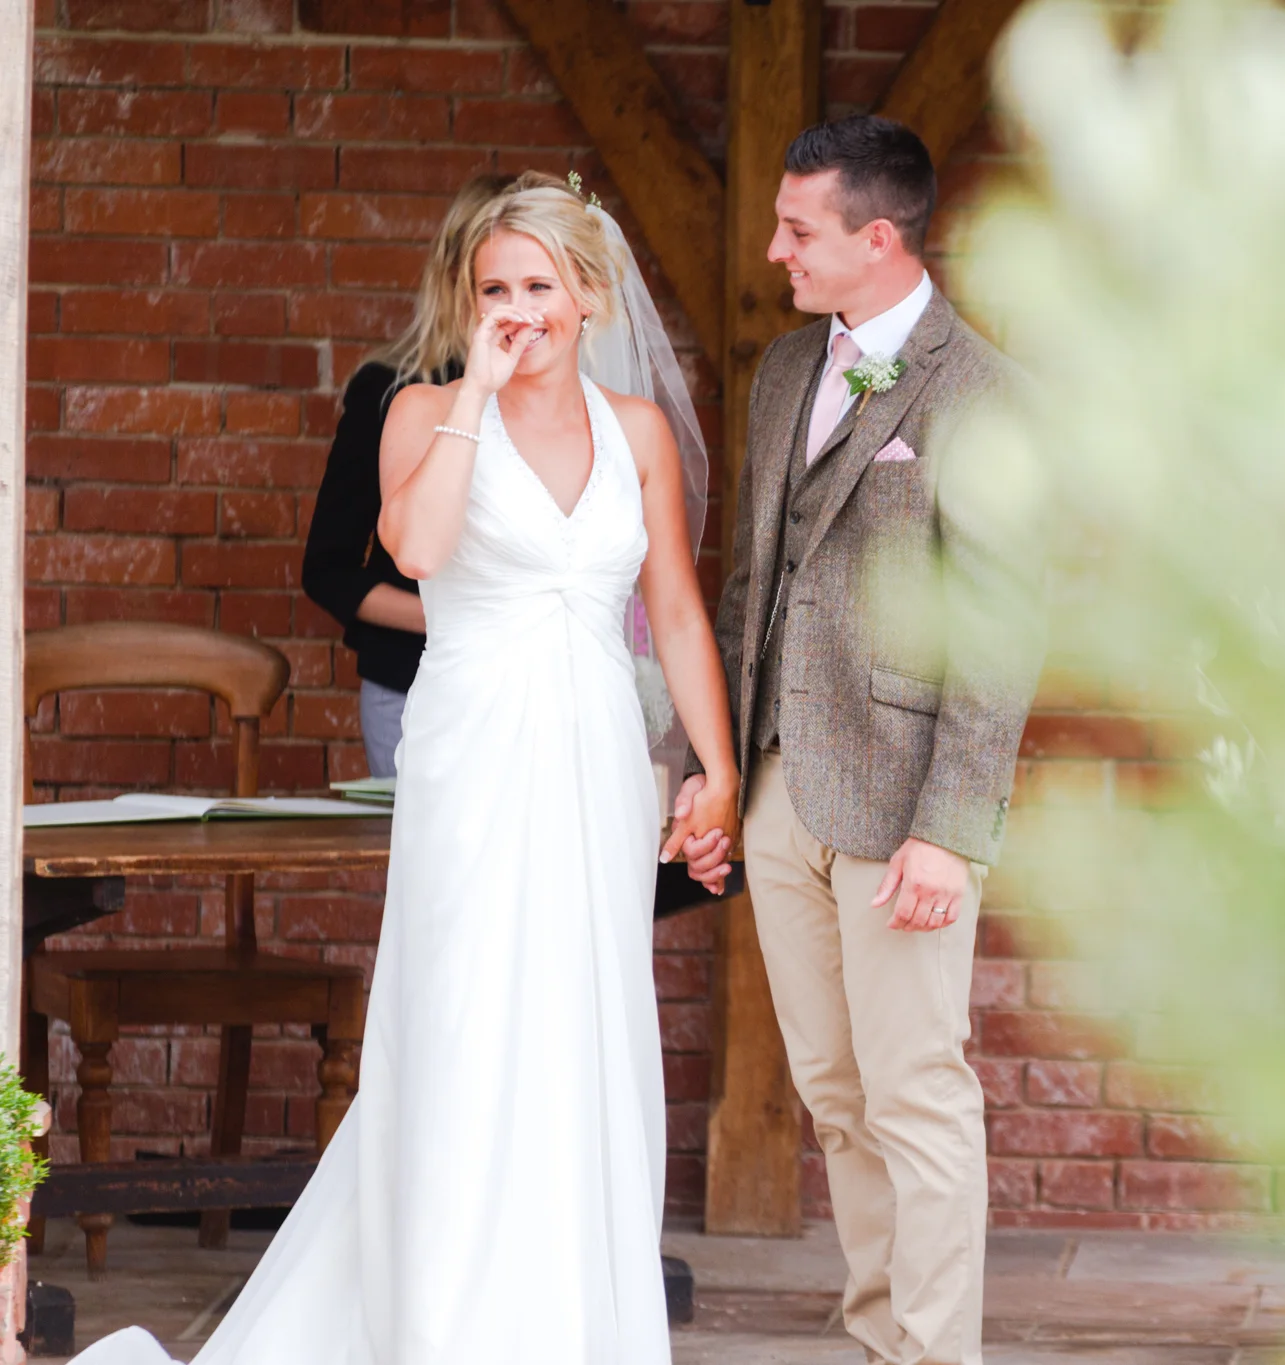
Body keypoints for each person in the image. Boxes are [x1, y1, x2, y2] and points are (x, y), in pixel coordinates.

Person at [71, 176, 740, 1363]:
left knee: (584, 1016)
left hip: (594, 750)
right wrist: (475, 389)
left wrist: (716, 771)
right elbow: (419, 549)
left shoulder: (635, 432)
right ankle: (442, 1322)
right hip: (473, 745)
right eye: (494, 289)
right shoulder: (422, 411)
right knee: (463, 1009)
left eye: (539, 285)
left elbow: (678, 614)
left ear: (590, 296)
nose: (517, 309)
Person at [674, 116, 1045, 1365]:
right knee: (834, 1097)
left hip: (902, 808)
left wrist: (951, 830)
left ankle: (934, 1355)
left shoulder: (983, 393)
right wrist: (717, 774)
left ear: (876, 237)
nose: (774, 251)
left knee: (915, 1094)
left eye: (797, 230)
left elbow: (997, 629)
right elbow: (750, 587)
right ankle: (883, 1340)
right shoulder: (787, 369)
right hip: (782, 793)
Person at [302, 172, 512, 778]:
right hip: (411, 686)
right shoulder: (389, 391)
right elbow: (329, 571)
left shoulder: (577, 408)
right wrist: (455, 617)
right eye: (495, 281)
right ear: (457, 276)